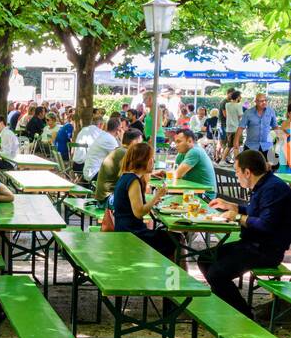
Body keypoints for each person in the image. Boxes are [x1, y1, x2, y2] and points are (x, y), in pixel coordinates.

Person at [201, 150, 291, 316]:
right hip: (251, 244)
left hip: (266, 250)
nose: (236, 175)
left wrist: (237, 216)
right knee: (205, 258)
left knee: (216, 274)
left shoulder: (273, 188)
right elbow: (255, 212)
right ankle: (228, 305)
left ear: (247, 172)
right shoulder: (263, 184)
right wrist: (232, 206)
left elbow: (265, 224)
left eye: (236, 171)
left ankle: (244, 315)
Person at [111, 140, 181, 260]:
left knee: (171, 238)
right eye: (151, 158)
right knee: (177, 239)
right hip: (132, 233)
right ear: (144, 160)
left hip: (125, 229)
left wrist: (153, 200)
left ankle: (172, 272)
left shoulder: (127, 176)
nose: (153, 161)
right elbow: (138, 213)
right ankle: (178, 276)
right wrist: (156, 197)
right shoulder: (133, 181)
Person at [94, 128, 141, 202]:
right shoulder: (125, 153)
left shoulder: (121, 151)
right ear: (134, 142)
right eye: (140, 143)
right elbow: (133, 176)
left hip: (104, 197)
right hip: (107, 199)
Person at [234, 91, 279, 161]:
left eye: (265, 100)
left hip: (267, 146)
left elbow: (275, 126)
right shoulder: (248, 113)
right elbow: (241, 127)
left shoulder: (271, 111)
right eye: (261, 101)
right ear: (256, 102)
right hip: (251, 146)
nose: (264, 102)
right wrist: (236, 140)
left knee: (268, 168)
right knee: (249, 167)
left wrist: (277, 140)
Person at [171, 127, 217, 192]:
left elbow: (177, 174)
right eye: (175, 142)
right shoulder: (181, 154)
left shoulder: (195, 151)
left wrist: (167, 174)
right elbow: (175, 175)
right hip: (190, 191)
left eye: (179, 142)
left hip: (204, 195)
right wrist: (164, 173)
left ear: (189, 141)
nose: (176, 145)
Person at [83, 114, 122, 184]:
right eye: (121, 128)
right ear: (118, 130)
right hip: (94, 173)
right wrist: (122, 139)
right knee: (123, 176)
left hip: (90, 171)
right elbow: (121, 157)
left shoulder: (104, 135)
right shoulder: (110, 139)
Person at [221, 87, 242, 155]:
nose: (241, 97)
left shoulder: (227, 105)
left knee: (229, 146)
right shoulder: (238, 105)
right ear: (237, 97)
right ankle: (237, 162)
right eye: (240, 96)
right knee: (236, 146)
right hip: (236, 128)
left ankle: (222, 160)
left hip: (229, 128)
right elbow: (240, 115)